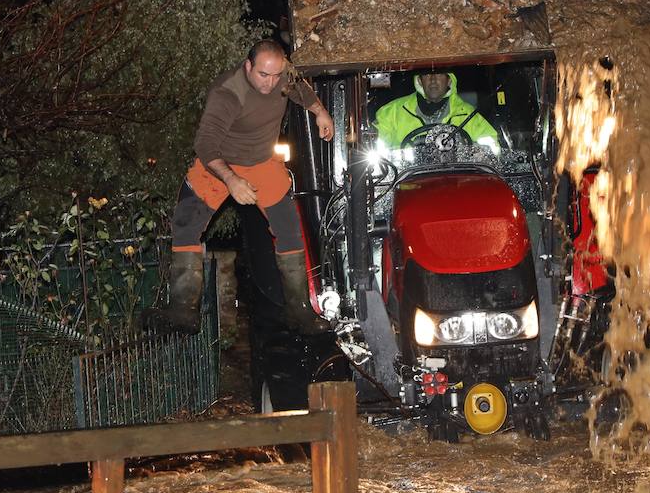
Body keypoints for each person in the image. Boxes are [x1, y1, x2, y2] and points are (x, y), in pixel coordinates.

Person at [151, 39, 334, 334]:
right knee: (186, 223)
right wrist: (232, 180)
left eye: (276, 76)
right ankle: (183, 309)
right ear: (248, 66)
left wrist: (320, 112)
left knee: (289, 229)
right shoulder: (227, 93)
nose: (271, 83)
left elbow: (301, 90)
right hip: (219, 164)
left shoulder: (282, 77)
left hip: (262, 163)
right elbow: (205, 144)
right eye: (264, 75)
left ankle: (300, 313)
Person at [373, 70, 500, 154]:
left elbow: (493, 148)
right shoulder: (391, 113)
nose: (433, 80)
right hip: (405, 183)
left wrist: (474, 152)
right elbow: (375, 152)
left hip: (458, 184)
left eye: (439, 74)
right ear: (419, 80)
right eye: (427, 74)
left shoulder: (468, 114)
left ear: (449, 80)